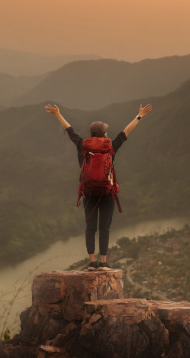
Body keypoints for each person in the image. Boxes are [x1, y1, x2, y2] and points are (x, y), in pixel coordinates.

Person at [45, 103, 153, 271]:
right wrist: (140, 115)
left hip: (88, 193)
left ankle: (91, 262)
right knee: (104, 228)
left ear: (91, 133)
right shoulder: (110, 147)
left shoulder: (83, 146)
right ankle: (103, 262)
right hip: (107, 193)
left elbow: (70, 130)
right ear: (104, 133)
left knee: (90, 227)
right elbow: (126, 131)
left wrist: (58, 114)